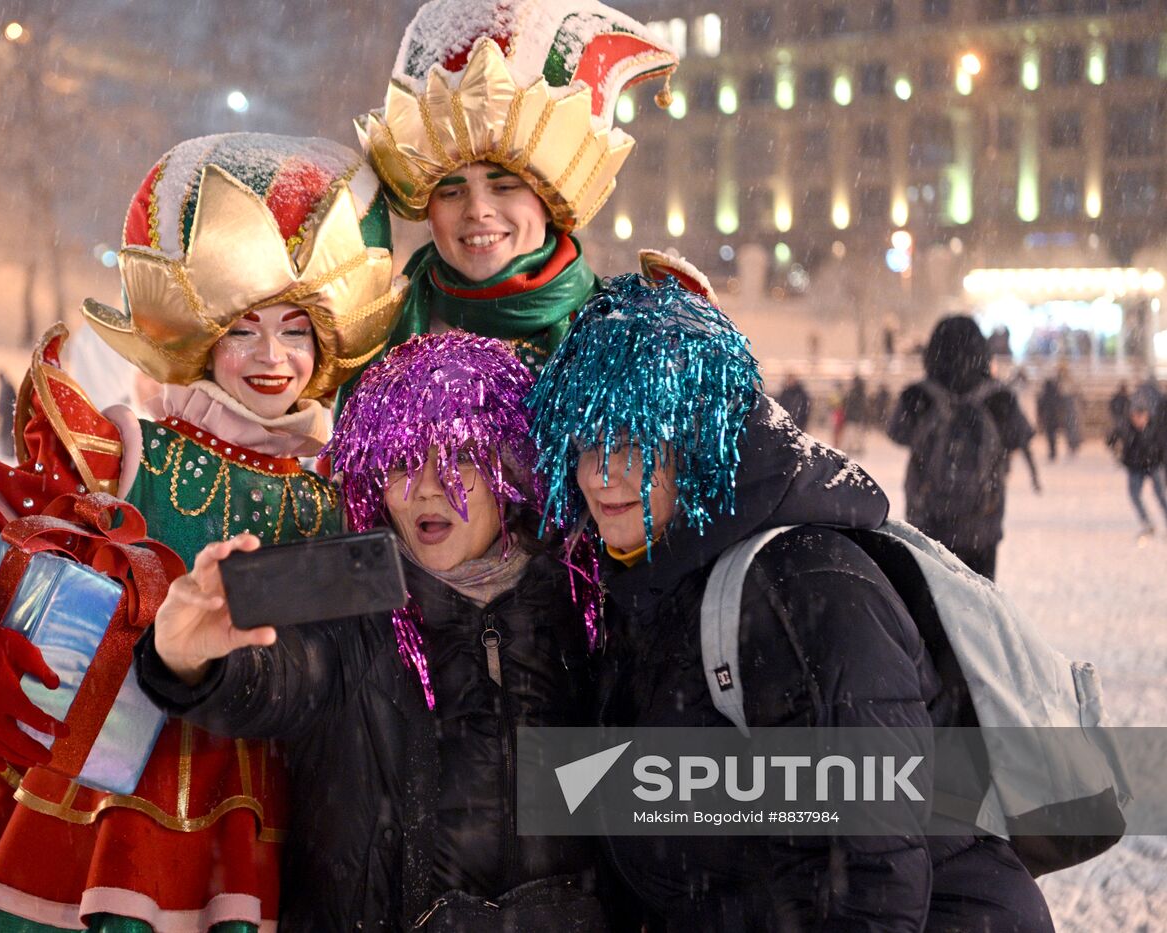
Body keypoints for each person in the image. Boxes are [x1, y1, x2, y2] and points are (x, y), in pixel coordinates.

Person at [0, 134, 404, 932]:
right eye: (243, 328)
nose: (272, 357)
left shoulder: (344, 499)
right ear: (198, 334)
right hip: (99, 828)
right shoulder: (124, 457)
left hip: (265, 845)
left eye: (297, 330)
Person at [527, 274, 1053, 932]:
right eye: (585, 443)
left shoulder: (804, 579)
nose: (602, 475)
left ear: (699, 438)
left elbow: (881, 867)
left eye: (634, 441)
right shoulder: (648, 579)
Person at [137, 333, 609, 931]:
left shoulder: (581, 605)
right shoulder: (347, 600)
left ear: (508, 470)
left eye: (459, 458)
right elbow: (272, 678)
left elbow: (655, 799)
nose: (428, 488)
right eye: (401, 463)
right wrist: (184, 656)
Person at [353, 0, 677, 374]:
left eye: (504, 187)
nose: (477, 210)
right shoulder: (381, 338)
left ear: (548, 202)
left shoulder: (623, 343)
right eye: (452, 192)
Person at [888, 315, 1038, 580]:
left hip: (927, 524)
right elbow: (1020, 435)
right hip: (982, 524)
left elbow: (896, 432)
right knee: (978, 607)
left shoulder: (918, 397)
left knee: (931, 605)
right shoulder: (999, 398)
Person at [1107, 400, 1167, 538]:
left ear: (1146, 416)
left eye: (1141, 416)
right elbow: (1111, 440)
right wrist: (1118, 452)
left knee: (1160, 495)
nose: (1138, 419)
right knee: (1134, 495)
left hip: (1154, 464)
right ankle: (1147, 523)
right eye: (1135, 416)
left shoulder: (1156, 428)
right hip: (1135, 467)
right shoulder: (1126, 428)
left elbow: (1163, 449)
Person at [1037, 375, 1065, 461]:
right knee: (1053, 436)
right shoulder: (1056, 394)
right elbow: (1061, 406)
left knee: (1050, 436)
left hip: (1048, 418)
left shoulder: (1044, 395)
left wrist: (1040, 418)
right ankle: (1053, 451)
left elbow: (1040, 408)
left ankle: (1052, 451)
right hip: (1054, 418)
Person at [0, 370, 17, 458]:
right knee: (4, 433)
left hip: (8, 415)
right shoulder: (4, 386)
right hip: (5, 415)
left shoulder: (7, 386)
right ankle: (5, 451)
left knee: (8, 433)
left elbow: (12, 400)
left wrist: (6, 410)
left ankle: (9, 452)